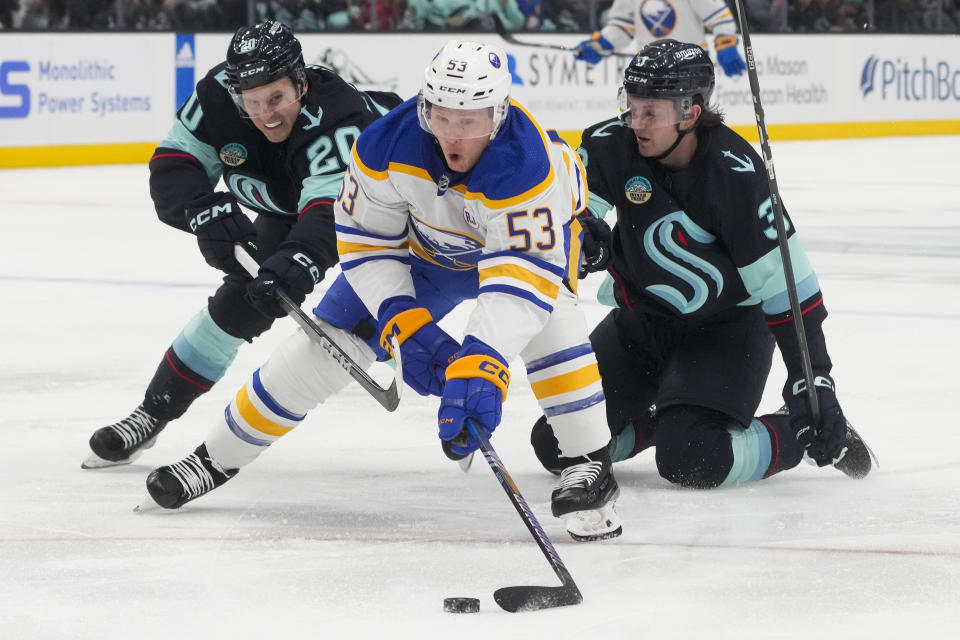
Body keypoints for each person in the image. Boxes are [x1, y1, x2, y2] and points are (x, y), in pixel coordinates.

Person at [141, 39, 623, 543]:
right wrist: (406, 324)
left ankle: (590, 464)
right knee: (322, 347)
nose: (453, 137)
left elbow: (518, 283)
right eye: (441, 118)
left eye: (470, 121)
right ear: (423, 108)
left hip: (528, 251)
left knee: (551, 326)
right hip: (428, 257)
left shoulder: (529, 164)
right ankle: (215, 458)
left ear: (499, 114)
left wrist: (484, 360)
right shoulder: (382, 144)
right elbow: (366, 244)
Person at [531, 39, 874, 490]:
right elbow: (574, 212)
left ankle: (792, 432)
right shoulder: (609, 144)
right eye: (630, 107)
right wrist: (583, 239)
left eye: (650, 112)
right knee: (558, 444)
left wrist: (814, 382)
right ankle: (660, 420)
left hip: (726, 331)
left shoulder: (735, 173)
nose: (636, 122)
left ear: (690, 114)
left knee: (693, 458)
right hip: (643, 323)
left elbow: (787, 286)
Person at [81, 21, 400, 469]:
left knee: (418, 298)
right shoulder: (216, 96)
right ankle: (152, 412)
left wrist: (297, 262)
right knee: (243, 300)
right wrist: (203, 211)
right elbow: (175, 162)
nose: (266, 113)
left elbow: (331, 214)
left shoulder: (338, 118)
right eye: (252, 102)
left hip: (395, 203)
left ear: (301, 83)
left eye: (277, 98)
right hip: (294, 203)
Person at [572, 0, 748, 78]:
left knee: (692, 125)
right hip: (647, 67)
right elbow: (621, 26)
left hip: (689, 66)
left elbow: (719, 18)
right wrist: (600, 44)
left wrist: (725, 44)